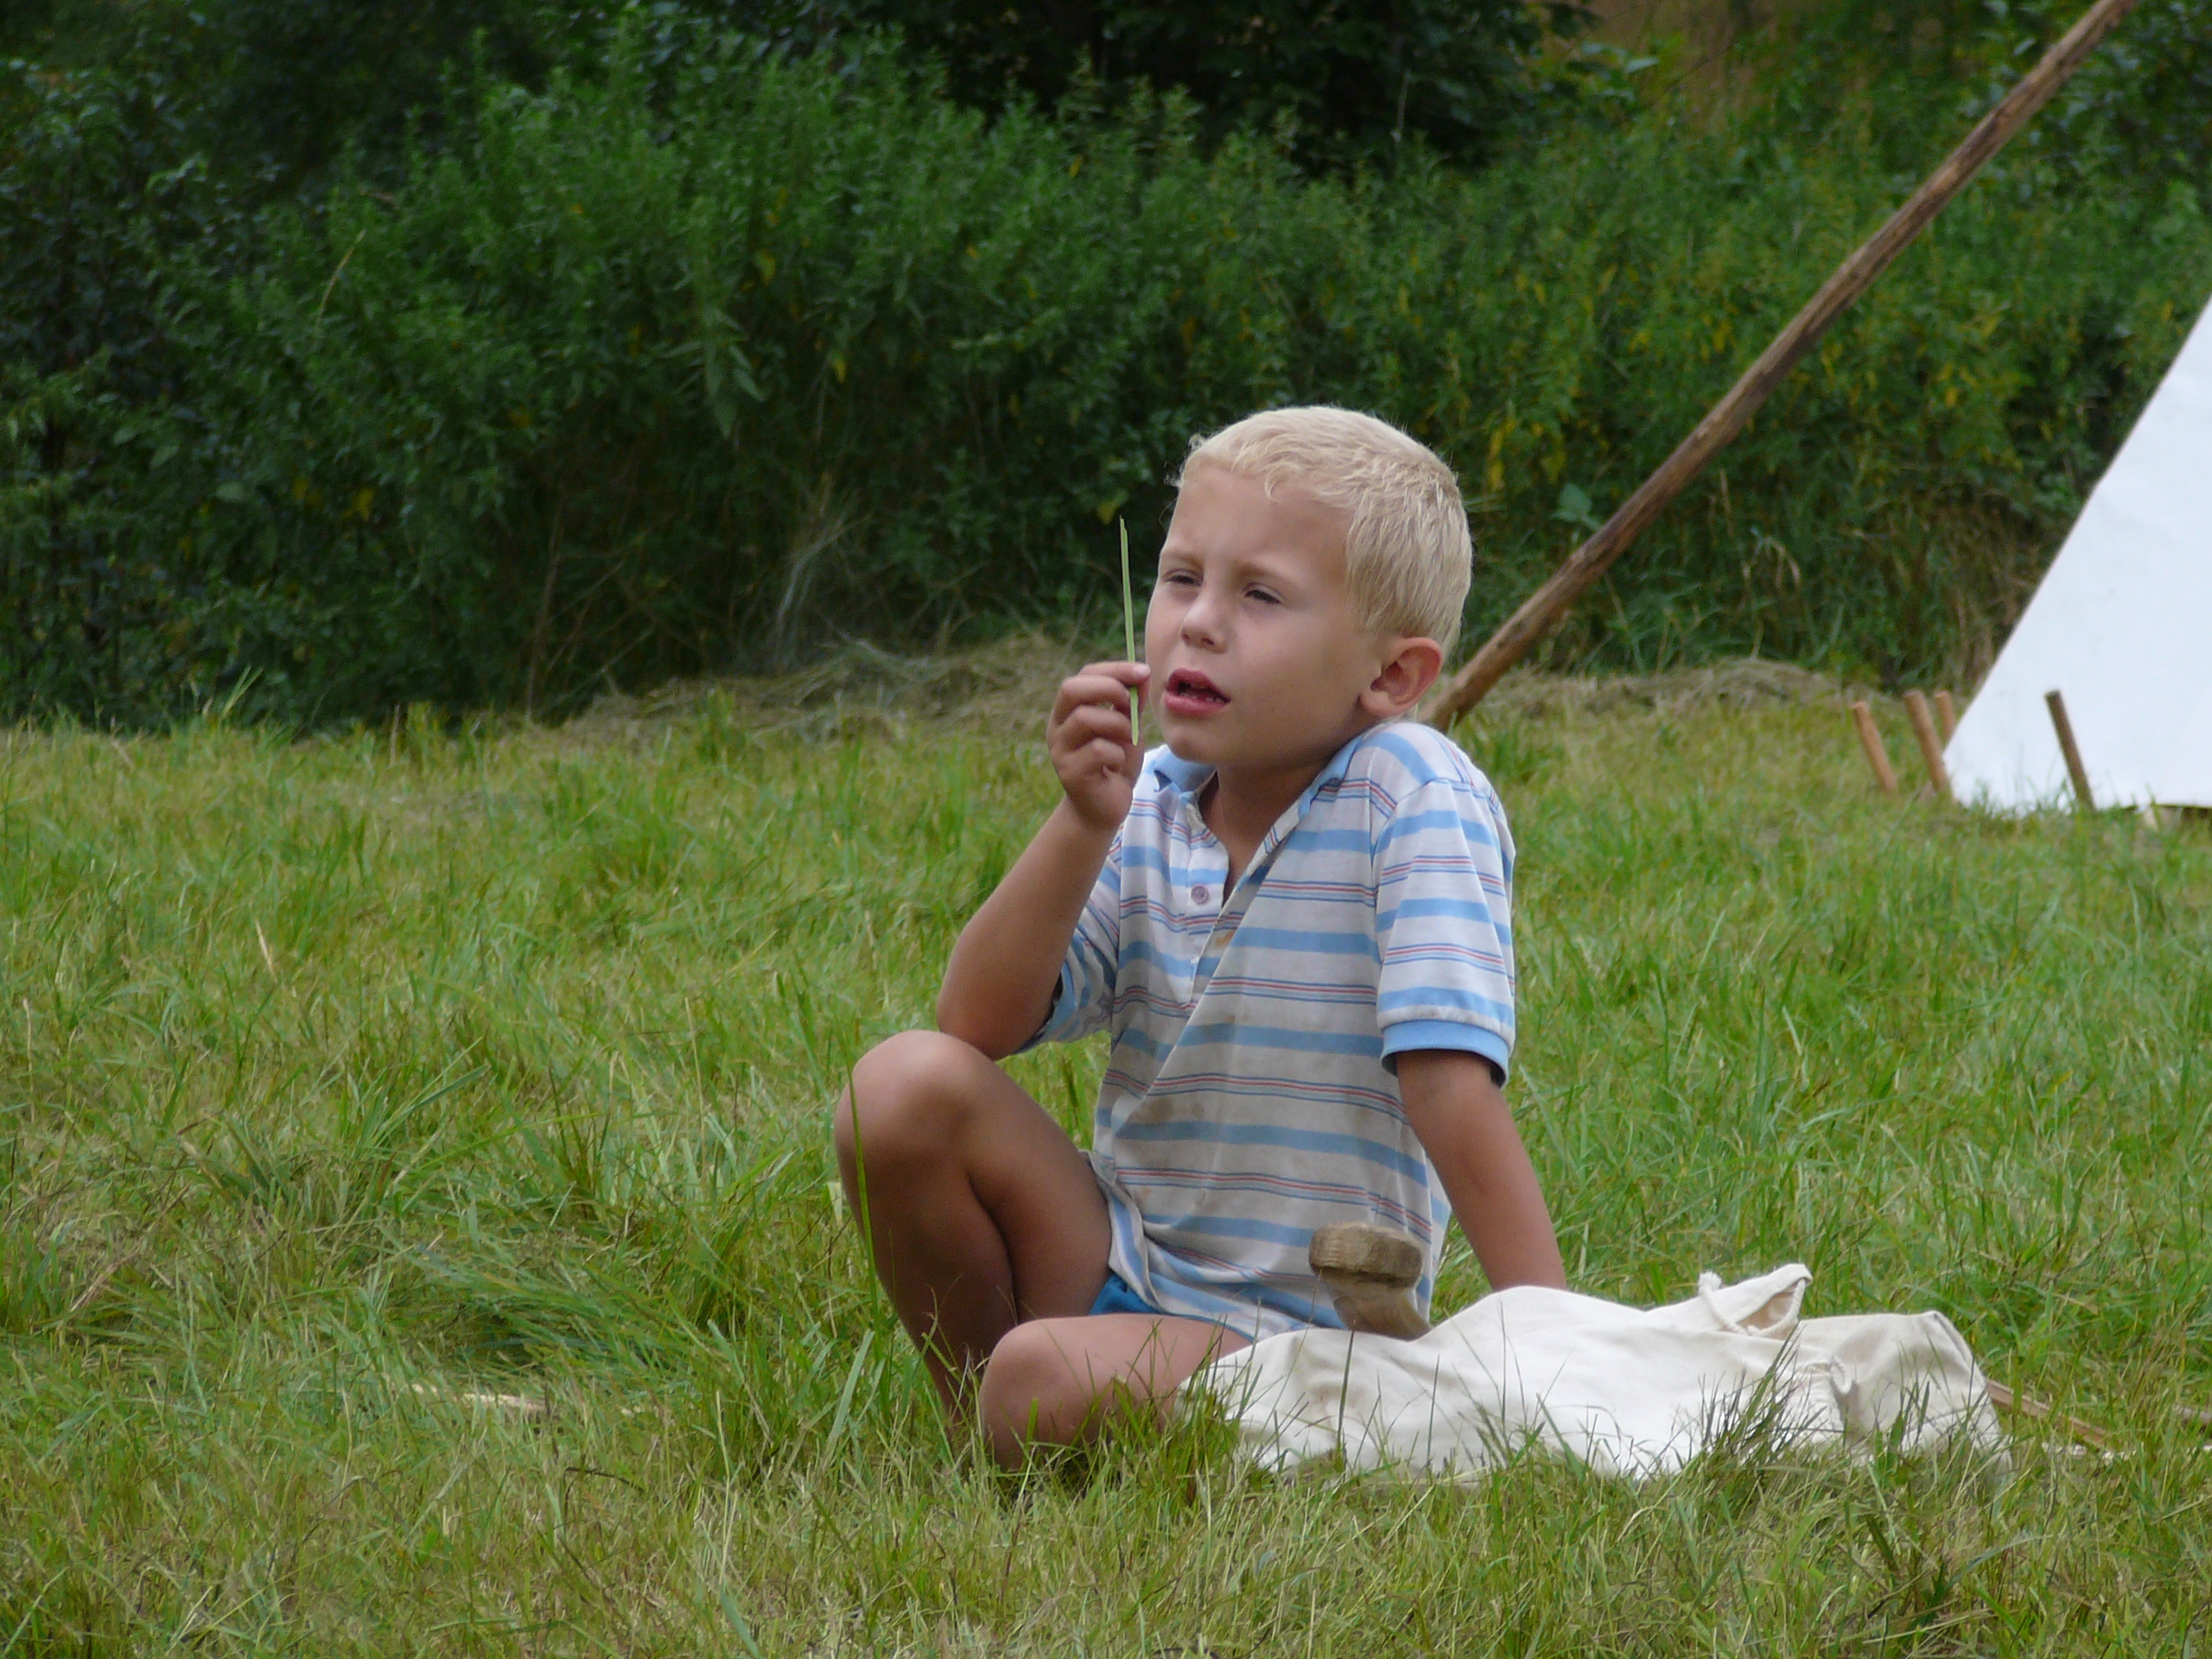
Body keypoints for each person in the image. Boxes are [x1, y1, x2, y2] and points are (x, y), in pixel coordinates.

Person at [833, 406, 1566, 1468]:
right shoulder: (1155, 799)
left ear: (1391, 678)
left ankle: (1072, 1407)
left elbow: (1450, 1090)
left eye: (1259, 595)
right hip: (1119, 1254)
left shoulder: (1410, 793)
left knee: (1038, 1382)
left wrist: (1557, 1355)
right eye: (1182, 578)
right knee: (899, 1088)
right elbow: (974, 1025)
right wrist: (1081, 822)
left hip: (1293, 1331)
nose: (1199, 623)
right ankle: (995, 1422)